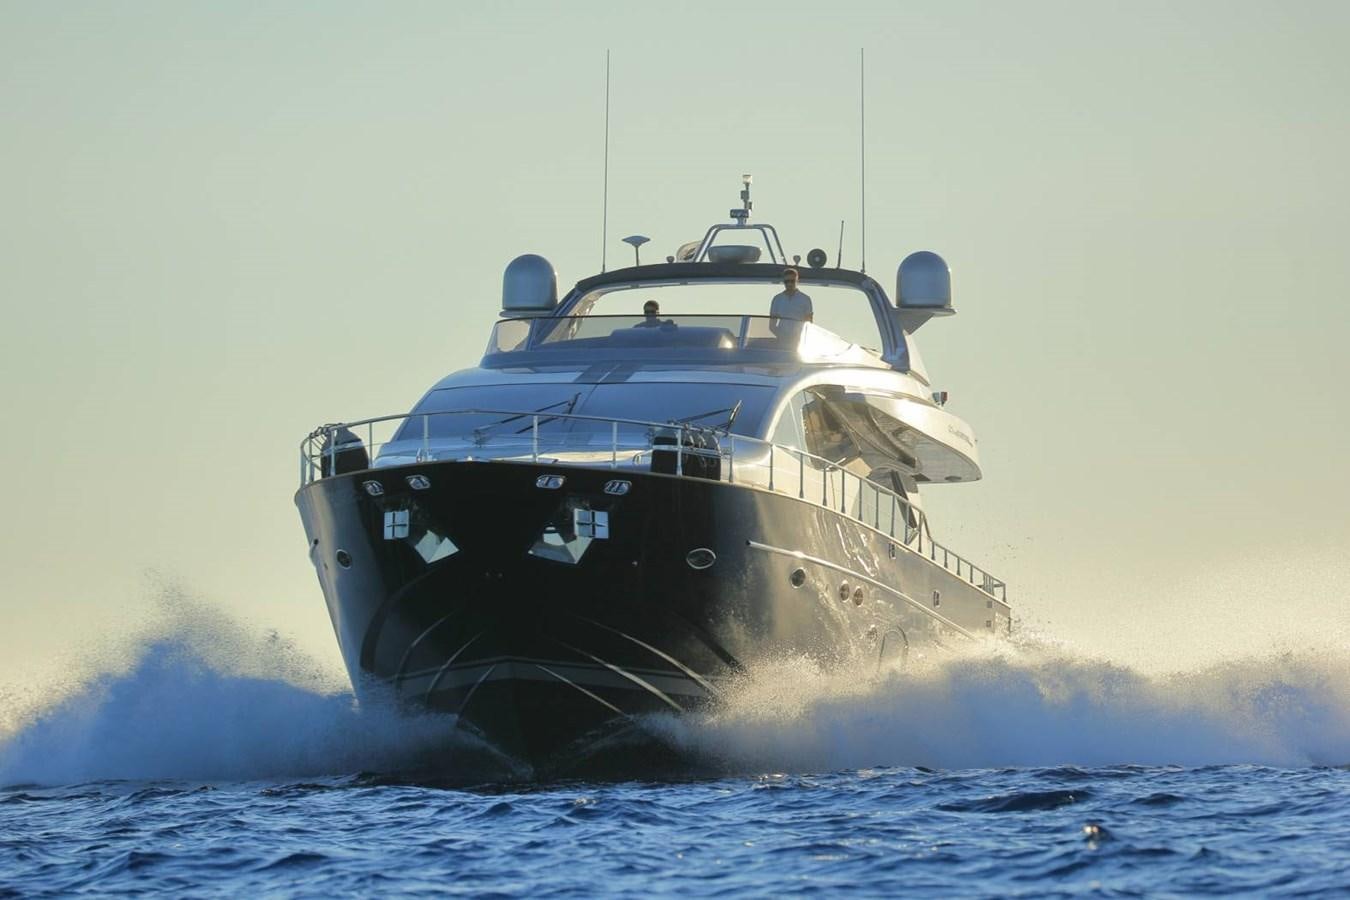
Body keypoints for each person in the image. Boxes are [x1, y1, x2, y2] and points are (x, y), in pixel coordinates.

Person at [769, 268, 813, 341]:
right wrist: (782, 337)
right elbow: (771, 325)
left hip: (799, 340)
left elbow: (809, 324)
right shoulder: (777, 299)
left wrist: (799, 337)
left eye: (792, 281)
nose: (789, 284)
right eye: (787, 281)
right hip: (781, 340)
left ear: (797, 281)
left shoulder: (805, 299)